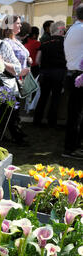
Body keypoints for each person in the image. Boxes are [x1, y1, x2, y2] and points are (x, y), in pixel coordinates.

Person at [0, 15, 32, 145]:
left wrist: (28, 60)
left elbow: (22, 56)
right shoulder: (6, 42)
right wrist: (19, 71)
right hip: (11, 79)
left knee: (14, 110)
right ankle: (15, 135)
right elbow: (4, 61)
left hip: (18, 79)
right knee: (12, 110)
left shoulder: (16, 40)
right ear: (10, 26)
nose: (20, 25)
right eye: (18, 23)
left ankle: (14, 133)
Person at [33, 21, 67, 129]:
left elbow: (37, 60)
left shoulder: (44, 42)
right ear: (61, 30)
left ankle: (37, 120)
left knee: (43, 96)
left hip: (45, 73)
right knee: (55, 98)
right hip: (59, 73)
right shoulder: (65, 42)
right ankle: (52, 122)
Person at [62, 4, 83, 159]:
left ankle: (75, 146)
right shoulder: (80, 29)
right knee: (76, 115)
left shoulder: (75, 28)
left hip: (73, 75)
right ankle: (70, 149)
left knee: (76, 114)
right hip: (78, 76)